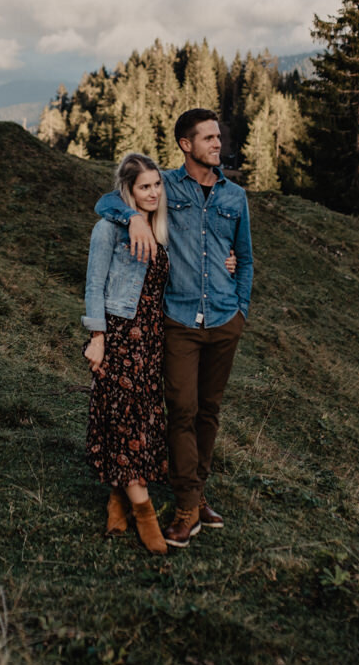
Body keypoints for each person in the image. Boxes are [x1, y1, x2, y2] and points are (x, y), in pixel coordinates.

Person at [94, 109, 253, 548]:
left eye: (218, 138)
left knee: (208, 411)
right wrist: (134, 218)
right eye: (207, 139)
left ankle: (196, 494)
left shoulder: (235, 197)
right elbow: (109, 199)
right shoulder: (164, 185)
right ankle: (186, 504)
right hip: (179, 320)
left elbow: (247, 257)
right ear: (186, 145)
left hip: (224, 320)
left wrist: (241, 307)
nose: (217, 145)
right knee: (180, 408)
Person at [82, 153, 172, 554]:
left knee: (140, 419)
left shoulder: (161, 227)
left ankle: (118, 497)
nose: (153, 193)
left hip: (151, 340)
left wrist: (229, 260)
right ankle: (144, 510)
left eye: (156, 185)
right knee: (123, 421)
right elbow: (93, 285)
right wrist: (97, 337)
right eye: (144, 187)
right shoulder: (108, 229)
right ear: (129, 191)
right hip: (120, 335)